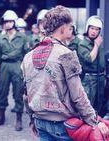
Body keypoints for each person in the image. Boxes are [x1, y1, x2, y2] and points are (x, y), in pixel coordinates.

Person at [21, 6, 109, 141]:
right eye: (70, 26)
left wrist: (32, 120)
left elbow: (27, 94)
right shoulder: (67, 54)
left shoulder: (28, 56)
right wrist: (95, 121)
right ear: (62, 28)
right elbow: (78, 96)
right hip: (62, 125)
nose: (71, 28)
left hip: (40, 121)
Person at [0, 10, 29, 131]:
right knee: (2, 92)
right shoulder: (1, 38)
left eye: (10, 21)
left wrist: (25, 71)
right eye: (6, 22)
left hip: (17, 65)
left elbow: (26, 56)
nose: (7, 24)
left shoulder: (22, 37)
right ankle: (1, 116)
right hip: (4, 67)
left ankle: (19, 119)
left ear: (14, 22)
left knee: (18, 92)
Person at [77, 16, 105, 114]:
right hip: (89, 80)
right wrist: (96, 46)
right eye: (92, 28)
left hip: (100, 78)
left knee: (100, 107)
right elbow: (89, 59)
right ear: (87, 28)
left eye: (97, 29)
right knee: (88, 106)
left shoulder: (98, 43)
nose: (94, 31)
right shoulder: (82, 44)